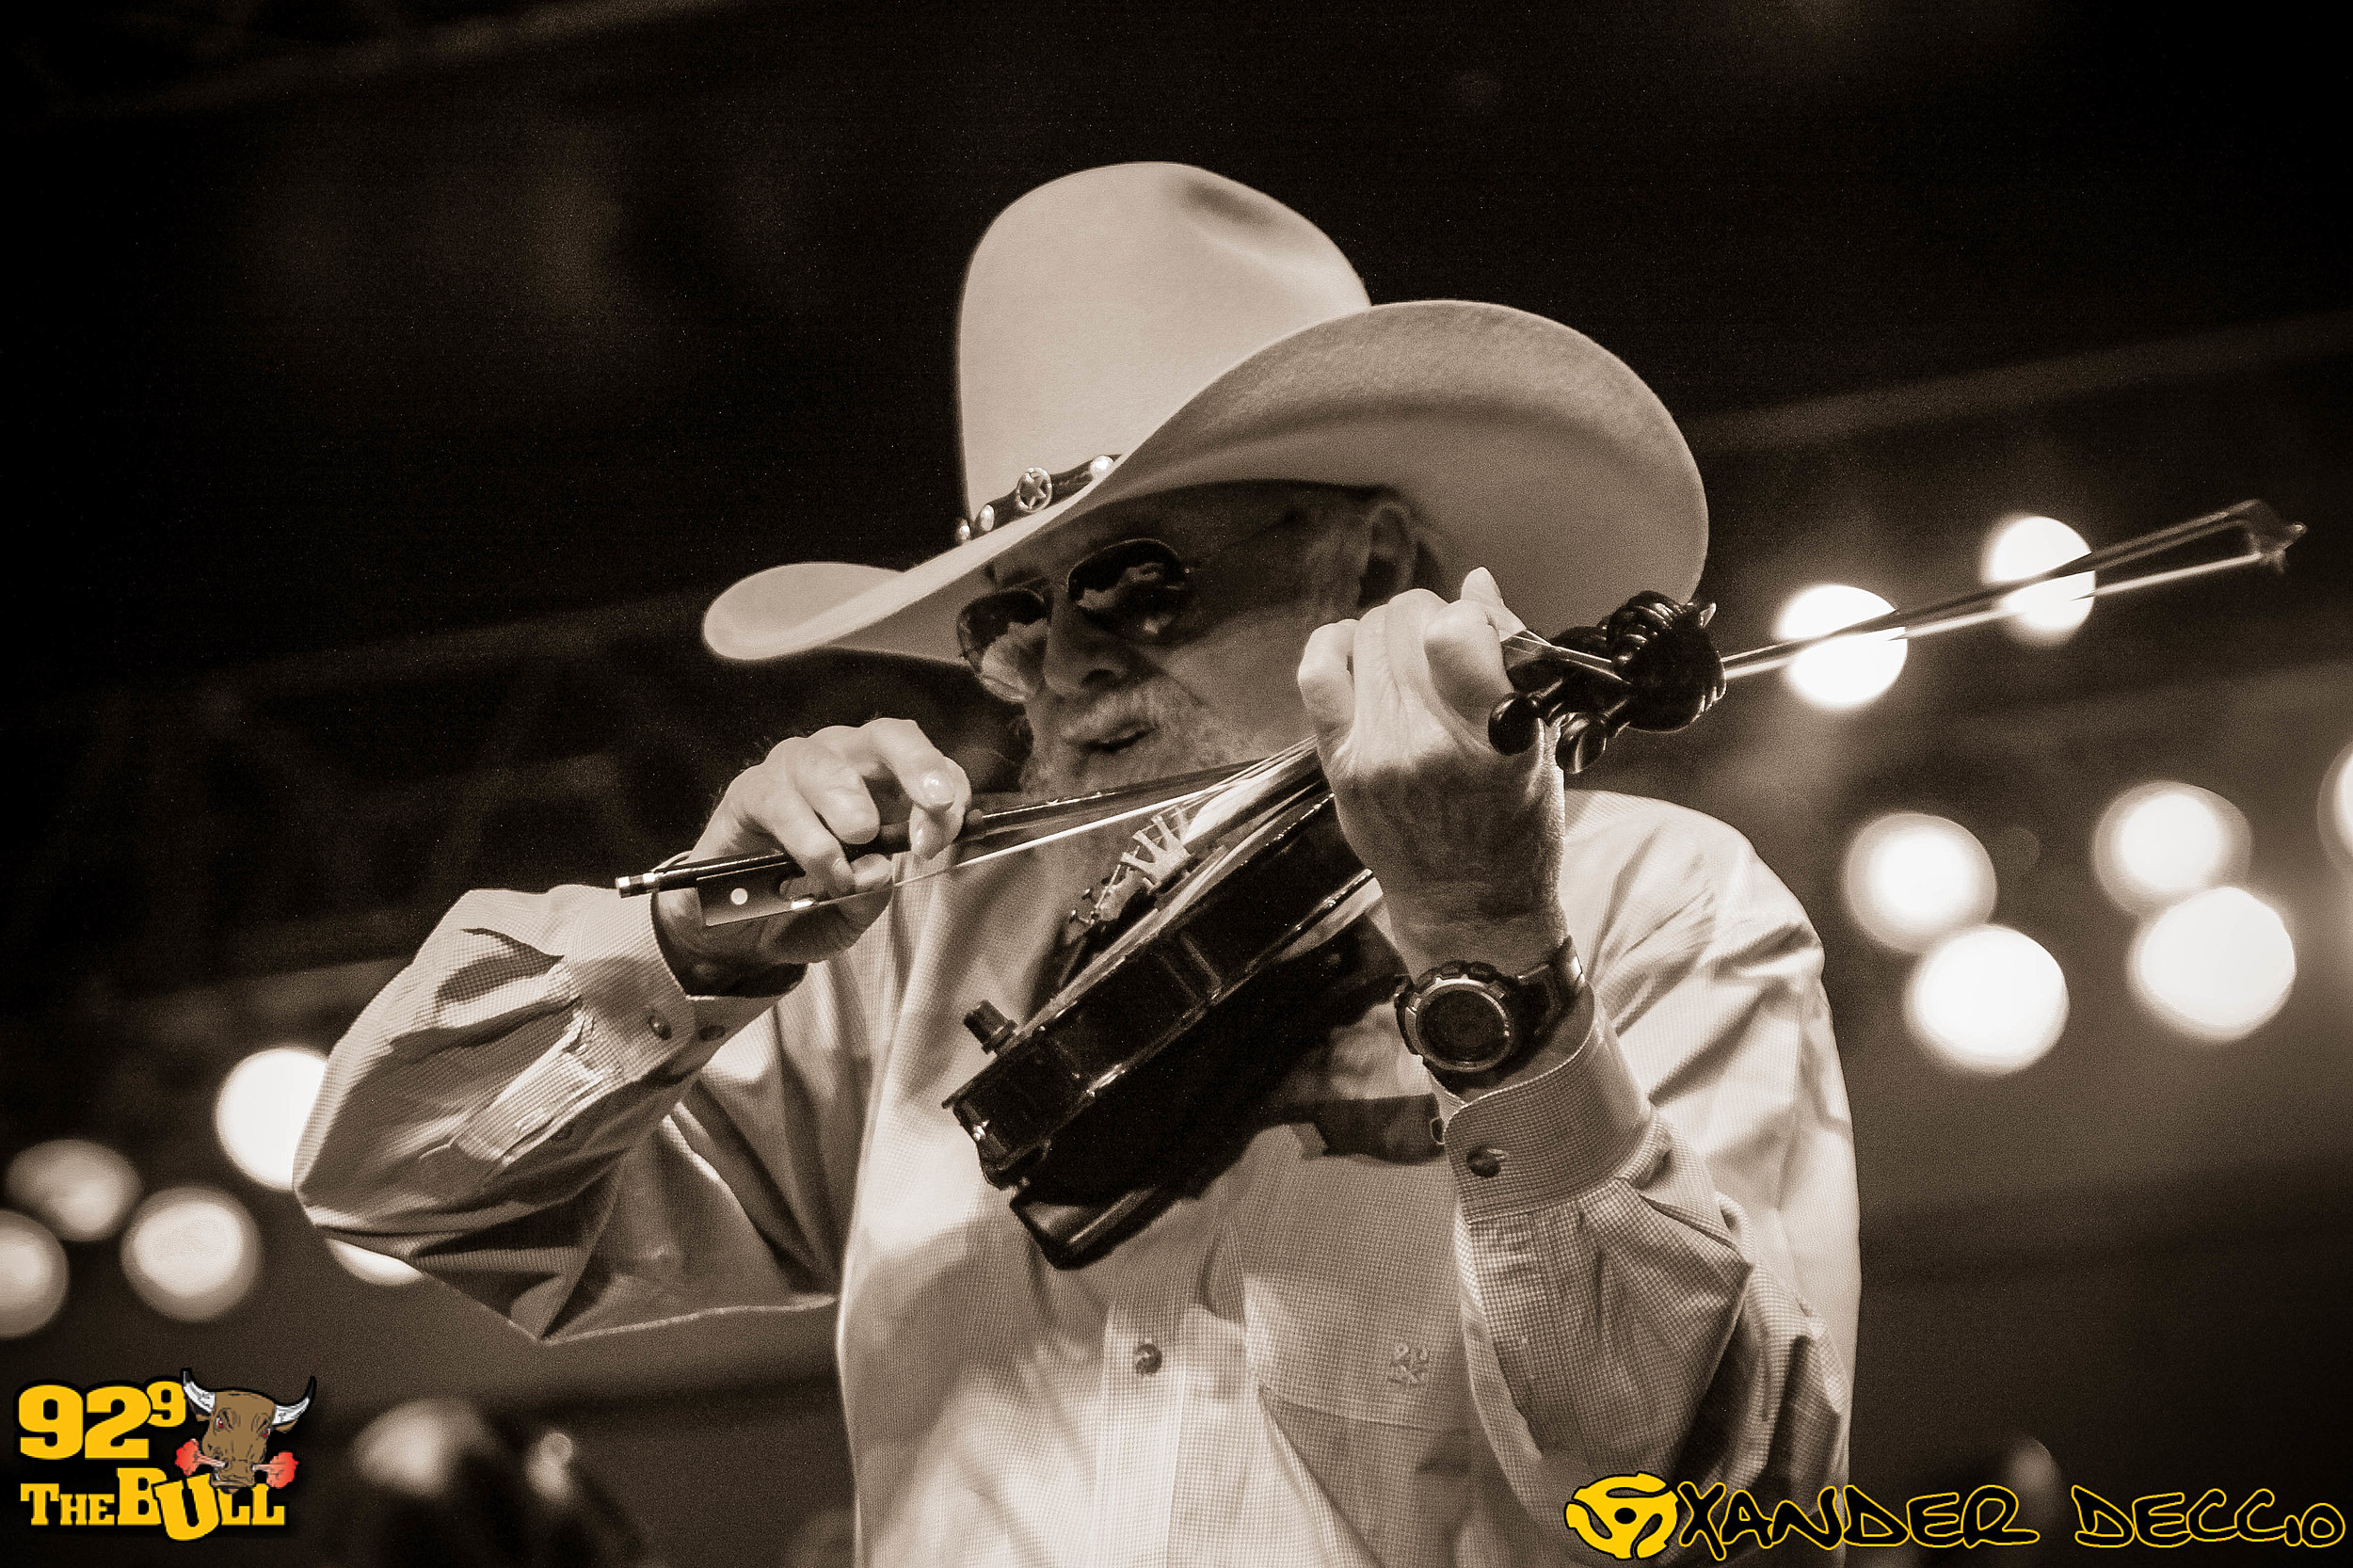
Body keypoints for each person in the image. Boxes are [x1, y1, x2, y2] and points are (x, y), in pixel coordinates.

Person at [298, 163, 1859, 1565]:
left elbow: (1733, 1516)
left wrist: (1490, 949)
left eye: (1132, 584)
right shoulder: (915, 947)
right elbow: (397, 1182)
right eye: (1009, 616)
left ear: (1371, 564)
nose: (1059, 668)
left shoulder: (1656, 902)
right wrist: (691, 948)